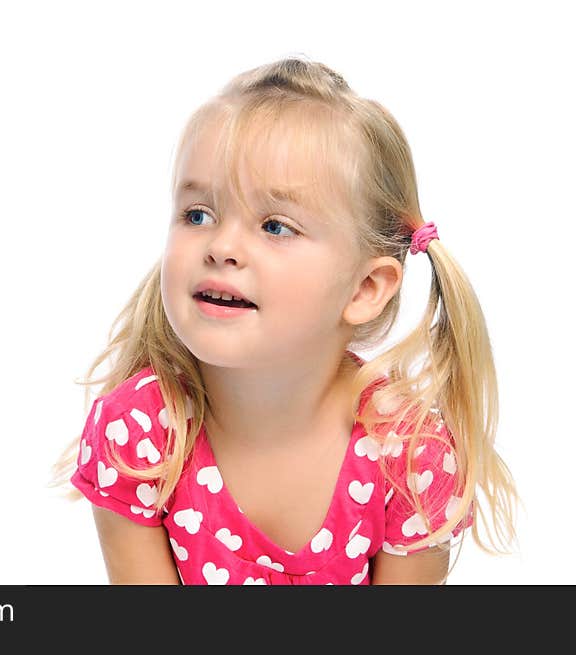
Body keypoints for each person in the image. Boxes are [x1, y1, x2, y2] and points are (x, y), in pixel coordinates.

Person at [50, 56, 518, 585]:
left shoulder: (410, 457)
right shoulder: (137, 433)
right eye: (197, 214)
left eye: (275, 226)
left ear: (365, 289)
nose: (222, 246)